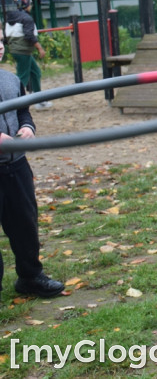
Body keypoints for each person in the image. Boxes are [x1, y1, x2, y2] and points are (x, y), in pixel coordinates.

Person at [0, 39, 65, 300]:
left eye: (0, 41)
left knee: (25, 223)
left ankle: (30, 276)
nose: (0, 47)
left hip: (16, 166)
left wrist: (27, 128)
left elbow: (24, 112)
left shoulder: (10, 79)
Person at [3, 0, 51, 110]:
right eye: (30, 4)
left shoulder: (11, 18)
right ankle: (12, 103)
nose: (31, 6)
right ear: (26, 5)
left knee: (35, 72)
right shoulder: (26, 18)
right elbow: (29, 35)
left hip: (17, 50)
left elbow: (6, 36)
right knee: (22, 77)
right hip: (23, 50)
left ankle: (38, 99)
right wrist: (40, 48)